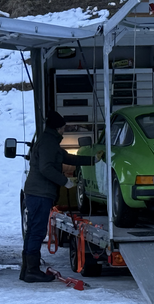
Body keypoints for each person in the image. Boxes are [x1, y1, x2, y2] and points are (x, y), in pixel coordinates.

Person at [20, 110, 99, 283]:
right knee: (37, 232)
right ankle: (31, 271)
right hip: (40, 193)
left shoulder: (49, 141)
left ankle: (27, 270)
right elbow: (46, 168)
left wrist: (93, 160)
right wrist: (65, 182)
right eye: (63, 127)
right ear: (58, 127)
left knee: (33, 230)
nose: (64, 130)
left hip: (37, 192)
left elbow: (67, 158)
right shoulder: (48, 143)